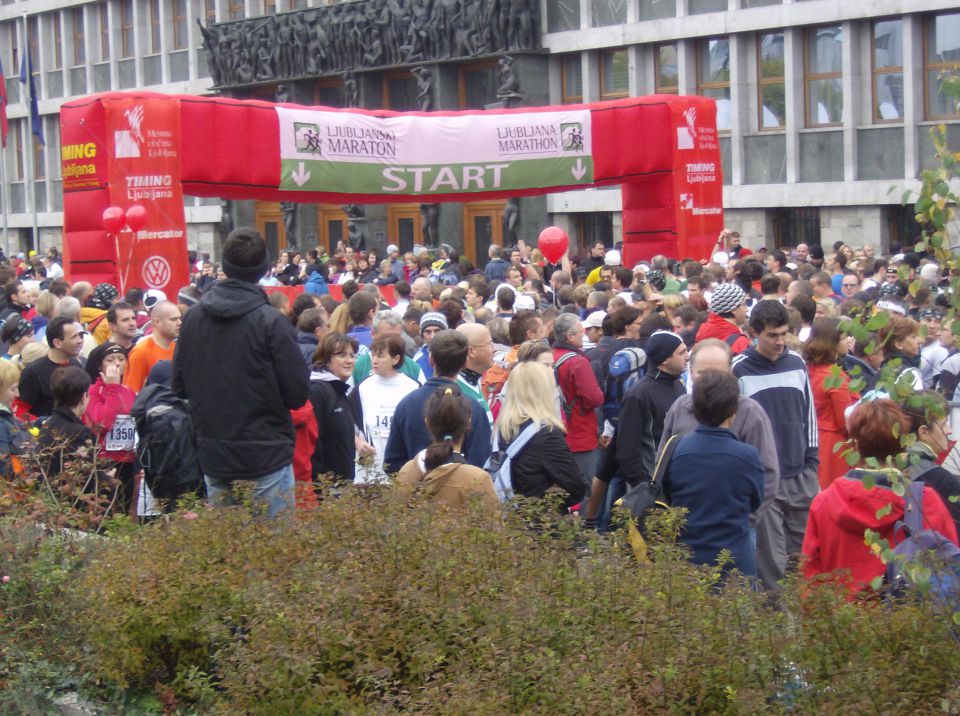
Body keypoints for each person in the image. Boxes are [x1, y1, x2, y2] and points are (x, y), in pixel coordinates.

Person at [173, 226, 309, 519]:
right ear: (264, 268)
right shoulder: (271, 323)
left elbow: (180, 385)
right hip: (262, 456)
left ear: (224, 265)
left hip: (220, 454)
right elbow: (297, 393)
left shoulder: (194, 319)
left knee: (230, 558)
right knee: (271, 558)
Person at [801, 400, 958, 595]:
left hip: (840, 619)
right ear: (903, 445)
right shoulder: (924, 501)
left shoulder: (824, 502)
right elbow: (951, 568)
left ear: (856, 445)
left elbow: (810, 578)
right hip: (906, 619)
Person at [659, 338, 780, 546]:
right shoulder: (680, 407)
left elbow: (768, 475)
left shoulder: (751, 413)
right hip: (685, 530)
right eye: (703, 373)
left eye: (718, 373)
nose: (710, 381)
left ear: (731, 374)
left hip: (734, 531)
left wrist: (746, 520)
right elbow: (661, 463)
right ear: (691, 372)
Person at [732, 300, 818, 589]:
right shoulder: (739, 370)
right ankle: (778, 627)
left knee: (804, 559)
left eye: (784, 334)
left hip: (800, 473)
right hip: (764, 479)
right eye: (772, 335)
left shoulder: (797, 363)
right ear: (755, 332)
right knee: (772, 565)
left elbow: (809, 415)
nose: (780, 341)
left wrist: (812, 464)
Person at [662, 370, 764, 576]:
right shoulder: (747, 456)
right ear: (733, 410)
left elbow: (667, 494)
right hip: (735, 557)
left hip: (686, 556)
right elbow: (756, 500)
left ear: (695, 409)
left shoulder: (677, 450)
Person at [384, 330, 492, 474]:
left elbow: (392, 463)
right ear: (465, 362)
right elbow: (480, 463)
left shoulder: (407, 404)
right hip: (462, 493)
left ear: (431, 360)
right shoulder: (473, 408)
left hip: (415, 493)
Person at [395, 386, 500, 517]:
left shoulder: (407, 471)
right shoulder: (477, 479)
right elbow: (494, 531)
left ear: (427, 422)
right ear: (468, 423)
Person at [492, 361, 585, 510]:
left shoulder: (502, 429)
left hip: (507, 520)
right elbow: (576, 488)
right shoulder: (547, 435)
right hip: (540, 524)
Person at [351, 334, 419, 482]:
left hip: (402, 475)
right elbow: (348, 426)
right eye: (373, 355)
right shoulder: (362, 388)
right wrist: (358, 442)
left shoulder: (412, 388)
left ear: (395, 359)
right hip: (367, 476)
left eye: (381, 356)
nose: (374, 361)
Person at [551, 313, 604, 495]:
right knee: (584, 490)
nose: (584, 335)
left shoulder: (550, 357)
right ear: (570, 336)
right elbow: (594, 398)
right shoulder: (577, 362)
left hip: (555, 432)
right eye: (581, 332)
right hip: (579, 433)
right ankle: (586, 524)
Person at [805, 318, 859, 489]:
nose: (848, 340)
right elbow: (845, 421)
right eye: (843, 338)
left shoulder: (807, 368)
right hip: (834, 445)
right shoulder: (835, 377)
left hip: (811, 437)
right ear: (833, 343)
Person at [84, 344, 138, 511]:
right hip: (105, 460)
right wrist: (112, 387)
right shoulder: (93, 392)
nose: (117, 364)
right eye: (110, 360)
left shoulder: (129, 391)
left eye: (121, 359)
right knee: (108, 509)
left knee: (125, 508)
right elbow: (103, 423)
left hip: (128, 459)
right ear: (100, 365)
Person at [901, 391, 960, 535]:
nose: (949, 431)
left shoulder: (891, 466)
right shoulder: (942, 480)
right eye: (944, 424)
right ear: (924, 432)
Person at [309, 333, 364, 484]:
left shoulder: (337, 389)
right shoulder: (318, 391)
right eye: (341, 355)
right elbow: (312, 444)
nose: (349, 361)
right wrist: (319, 488)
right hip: (326, 490)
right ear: (325, 360)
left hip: (341, 487)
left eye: (352, 355)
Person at [18, 316, 84, 418]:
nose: (80, 340)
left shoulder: (76, 365)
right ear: (57, 343)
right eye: (74, 337)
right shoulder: (33, 372)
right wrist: (44, 425)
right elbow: (20, 409)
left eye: (79, 336)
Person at [124, 301, 181, 393]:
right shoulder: (141, 352)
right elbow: (131, 393)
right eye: (173, 319)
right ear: (157, 322)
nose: (179, 323)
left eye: (179, 318)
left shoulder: (177, 349)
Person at [84, 301, 139, 381]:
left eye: (133, 318)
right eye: (125, 320)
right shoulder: (98, 353)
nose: (132, 323)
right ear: (112, 326)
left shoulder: (140, 350)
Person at [694, 282, 750, 353]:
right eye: (744, 304)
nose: (747, 309)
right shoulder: (739, 343)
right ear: (733, 309)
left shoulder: (703, 332)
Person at [0, 360, 31, 478]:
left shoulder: (6, 415)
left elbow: (19, 427)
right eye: (13, 389)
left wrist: (39, 422)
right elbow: (5, 470)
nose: (17, 394)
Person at [878, 314, 923, 391]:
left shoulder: (882, 371)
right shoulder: (909, 375)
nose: (920, 341)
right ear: (898, 344)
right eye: (913, 337)